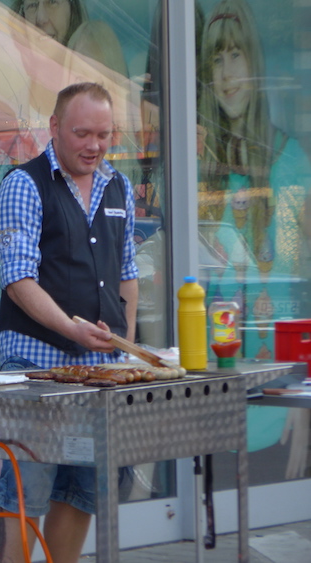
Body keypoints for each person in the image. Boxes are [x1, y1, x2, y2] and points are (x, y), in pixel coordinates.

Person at [0, 82, 138, 563]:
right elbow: (18, 280)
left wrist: (127, 349)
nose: (94, 145)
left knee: (82, 491)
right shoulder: (24, 184)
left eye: (103, 134)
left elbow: (128, 274)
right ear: (54, 127)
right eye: (82, 134)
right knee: (26, 492)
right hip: (37, 366)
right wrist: (72, 329)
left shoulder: (118, 186)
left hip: (102, 374)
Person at [197, 0, 310, 476]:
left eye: (236, 55)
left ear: (255, 62)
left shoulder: (291, 162)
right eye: (216, 60)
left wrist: (304, 396)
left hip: (279, 409)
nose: (227, 74)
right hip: (202, 407)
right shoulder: (195, 168)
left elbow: (303, 287)